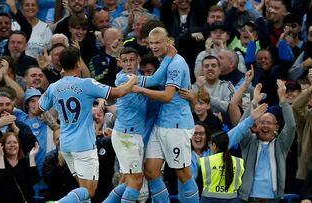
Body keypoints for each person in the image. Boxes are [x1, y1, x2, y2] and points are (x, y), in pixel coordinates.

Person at [35, 46, 138, 202]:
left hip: (66, 145)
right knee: (89, 191)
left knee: (82, 190)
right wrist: (133, 80)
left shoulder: (54, 87)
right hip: (83, 145)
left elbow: (37, 110)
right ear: (78, 64)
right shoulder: (87, 84)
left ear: (62, 65)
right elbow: (118, 93)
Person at [133, 27, 198, 202]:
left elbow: (168, 96)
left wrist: (141, 89)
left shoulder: (176, 63)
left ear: (168, 42)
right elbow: (154, 80)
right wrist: (129, 80)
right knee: (151, 170)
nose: (154, 47)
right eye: (151, 43)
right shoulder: (165, 61)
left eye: (158, 42)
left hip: (177, 125)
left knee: (183, 174)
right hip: (161, 123)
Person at [103, 46, 175, 202]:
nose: (129, 64)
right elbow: (155, 80)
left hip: (135, 136)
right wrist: (169, 57)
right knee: (135, 181)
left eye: (132, 60)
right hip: (125, 136)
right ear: (119, 63)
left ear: (138, 61)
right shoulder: (124, 79)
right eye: (125, 61)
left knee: (130, 181)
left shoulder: (140, 77)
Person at [237, 79, 296, 202]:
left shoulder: (281, 144)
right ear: (256, 126)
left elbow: (291, 126)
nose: (265, 126)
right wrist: (253, 103)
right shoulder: (248, 142)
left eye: (269, 123)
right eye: (262, 122)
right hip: (248, 199)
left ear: (276, 127)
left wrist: (283, 100)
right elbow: (240, 127)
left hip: (273, 199)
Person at [0, 132, 39, 203]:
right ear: (3, 146)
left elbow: (33, 180)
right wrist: (1, 156)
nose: (12, 145)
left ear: (19, 145)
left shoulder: (25, 162)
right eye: (8, 143)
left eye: (15, 142)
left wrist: (32, 157)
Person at [199, 131, 245, 202]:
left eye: (210, 144)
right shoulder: (239, 162)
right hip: (232, 199)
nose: (210, 146)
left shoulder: (205, 161)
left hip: (209, 200)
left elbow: (199, 184)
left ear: (214, 145)